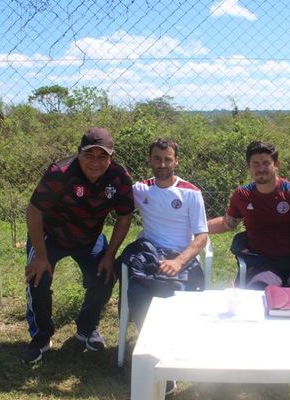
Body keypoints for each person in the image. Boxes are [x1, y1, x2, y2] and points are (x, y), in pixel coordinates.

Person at [22, 127, 134, 364]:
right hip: (50, 236)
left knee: (106, 274)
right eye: (89, 155)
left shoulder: (119, 178)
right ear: (78, 153)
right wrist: (40, 256)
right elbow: (33, 212)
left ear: (111, 158)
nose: (95, 163)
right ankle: (41, 336)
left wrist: (109, 254)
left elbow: (124, 217)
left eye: (102, 156)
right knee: (38, 278)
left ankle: (87, 328)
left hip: (89, 238)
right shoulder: (60, 172)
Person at [117, 138, 208, 395]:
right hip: (149, 255)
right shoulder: (140, 189)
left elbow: (201, 237)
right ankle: (152, 353)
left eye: (168, 159)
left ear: (176, 161)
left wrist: (179, 261)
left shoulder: (191, 192)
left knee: (173, 300)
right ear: (149, 160)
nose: (162, 164)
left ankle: (169, 362)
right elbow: (111, 191)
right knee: (137, 295)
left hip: (181, 257)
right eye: (157, 158)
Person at [207, 140, 290, 296]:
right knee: (258, 299)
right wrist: (195, 226)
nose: (261, 168)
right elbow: (227, 224)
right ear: (249, 167)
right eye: (255, 164)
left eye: (266, 163)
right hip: (262, 263)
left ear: (276, 164)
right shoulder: (242, 195)